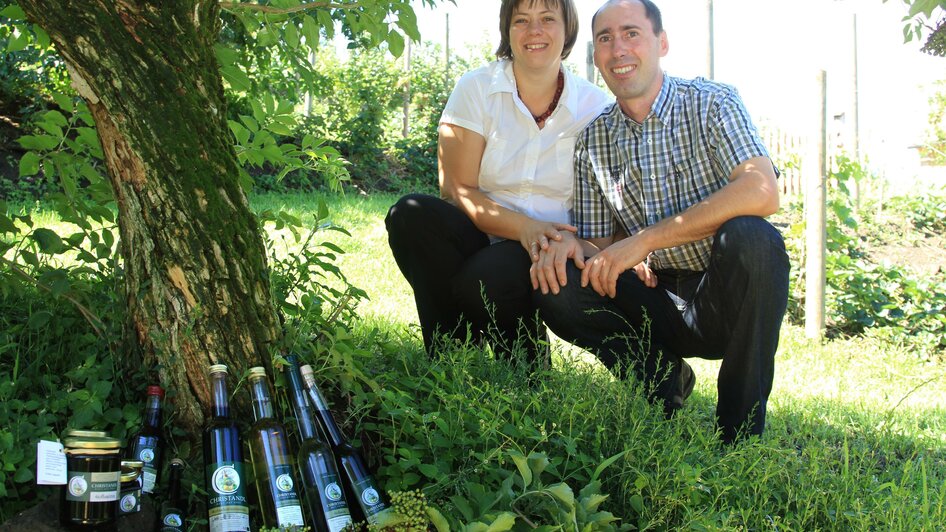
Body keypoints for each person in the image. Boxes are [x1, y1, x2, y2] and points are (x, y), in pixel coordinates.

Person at [531, 0, 790, 442]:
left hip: (724, 294)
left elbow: (761, 189)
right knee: (558, 282)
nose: (618, 50)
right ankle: (663, 383)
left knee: (753, 236)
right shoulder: (593, 141)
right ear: (596, 57)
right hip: (656, 297)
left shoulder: (712, 102)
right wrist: (574, 250)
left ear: (661, 42)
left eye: (632, 33)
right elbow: (598, 243)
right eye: (606, 40)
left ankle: (739, 433)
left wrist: (646, 241)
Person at [385, 0, 612, 366]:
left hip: (544, 249)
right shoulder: (476, 87)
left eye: (547, 19)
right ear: (508, 30)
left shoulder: (595, 107)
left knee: (493, 272)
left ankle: (527, 369)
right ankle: (451, 358)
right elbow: (456, 189)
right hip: (478, 228)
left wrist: (555, 239)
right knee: (412, 215)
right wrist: (524, 226)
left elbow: (607, 207)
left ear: (567, 28)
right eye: (522, 20)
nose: (534, 30)